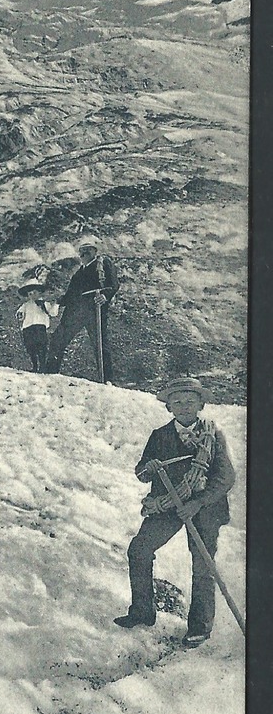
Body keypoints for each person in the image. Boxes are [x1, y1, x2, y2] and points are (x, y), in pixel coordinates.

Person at [114, 377, 236, 647]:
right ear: (169, 407)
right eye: (177, 402)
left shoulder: (213, 435)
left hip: (205, 509)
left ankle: (200, 627)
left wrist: (199, 501)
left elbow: (226, 478)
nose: (183, 407)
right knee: (139, 550)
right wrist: (150, 467)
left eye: (190, 401)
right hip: (167, 504)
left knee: (203, 565)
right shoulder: (160, 436)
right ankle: (143, 612)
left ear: (200, 404)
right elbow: (141, 472)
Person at [45, 235, 119, 382]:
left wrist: (105, 295)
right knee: (58, 338)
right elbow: (69, 295)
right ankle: (50, 373)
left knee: (100, 345)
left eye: (88, 250)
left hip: (94, 310)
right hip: (74, 312)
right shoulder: (78, 274)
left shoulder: (103, 264)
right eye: (82, 251)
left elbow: (114, 284)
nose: (84, 254)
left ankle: (107, 380)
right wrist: (56, 302)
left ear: (94, 251)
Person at [15, 281, 59, 372]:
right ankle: (34, 366)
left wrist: (55, 304)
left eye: (34, 293)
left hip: (40, 327)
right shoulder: (26, 305)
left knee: (41, 346)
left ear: (39, 292)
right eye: (30, 294)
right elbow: (20, 313)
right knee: (30, 347)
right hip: (28, 328)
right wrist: (20, 314)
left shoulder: (44, 303)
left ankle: (42, 366)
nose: (32, 295)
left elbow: (53, 313)